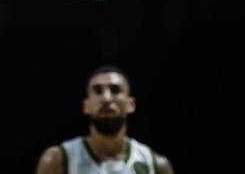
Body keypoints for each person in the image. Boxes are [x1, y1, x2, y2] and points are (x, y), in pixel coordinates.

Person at [35, 67, 174, 174]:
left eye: (115, 90)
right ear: (86, 106)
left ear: (131, 104)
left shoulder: (156, 164)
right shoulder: (58, 160)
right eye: (98, 91)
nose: (106, 98)